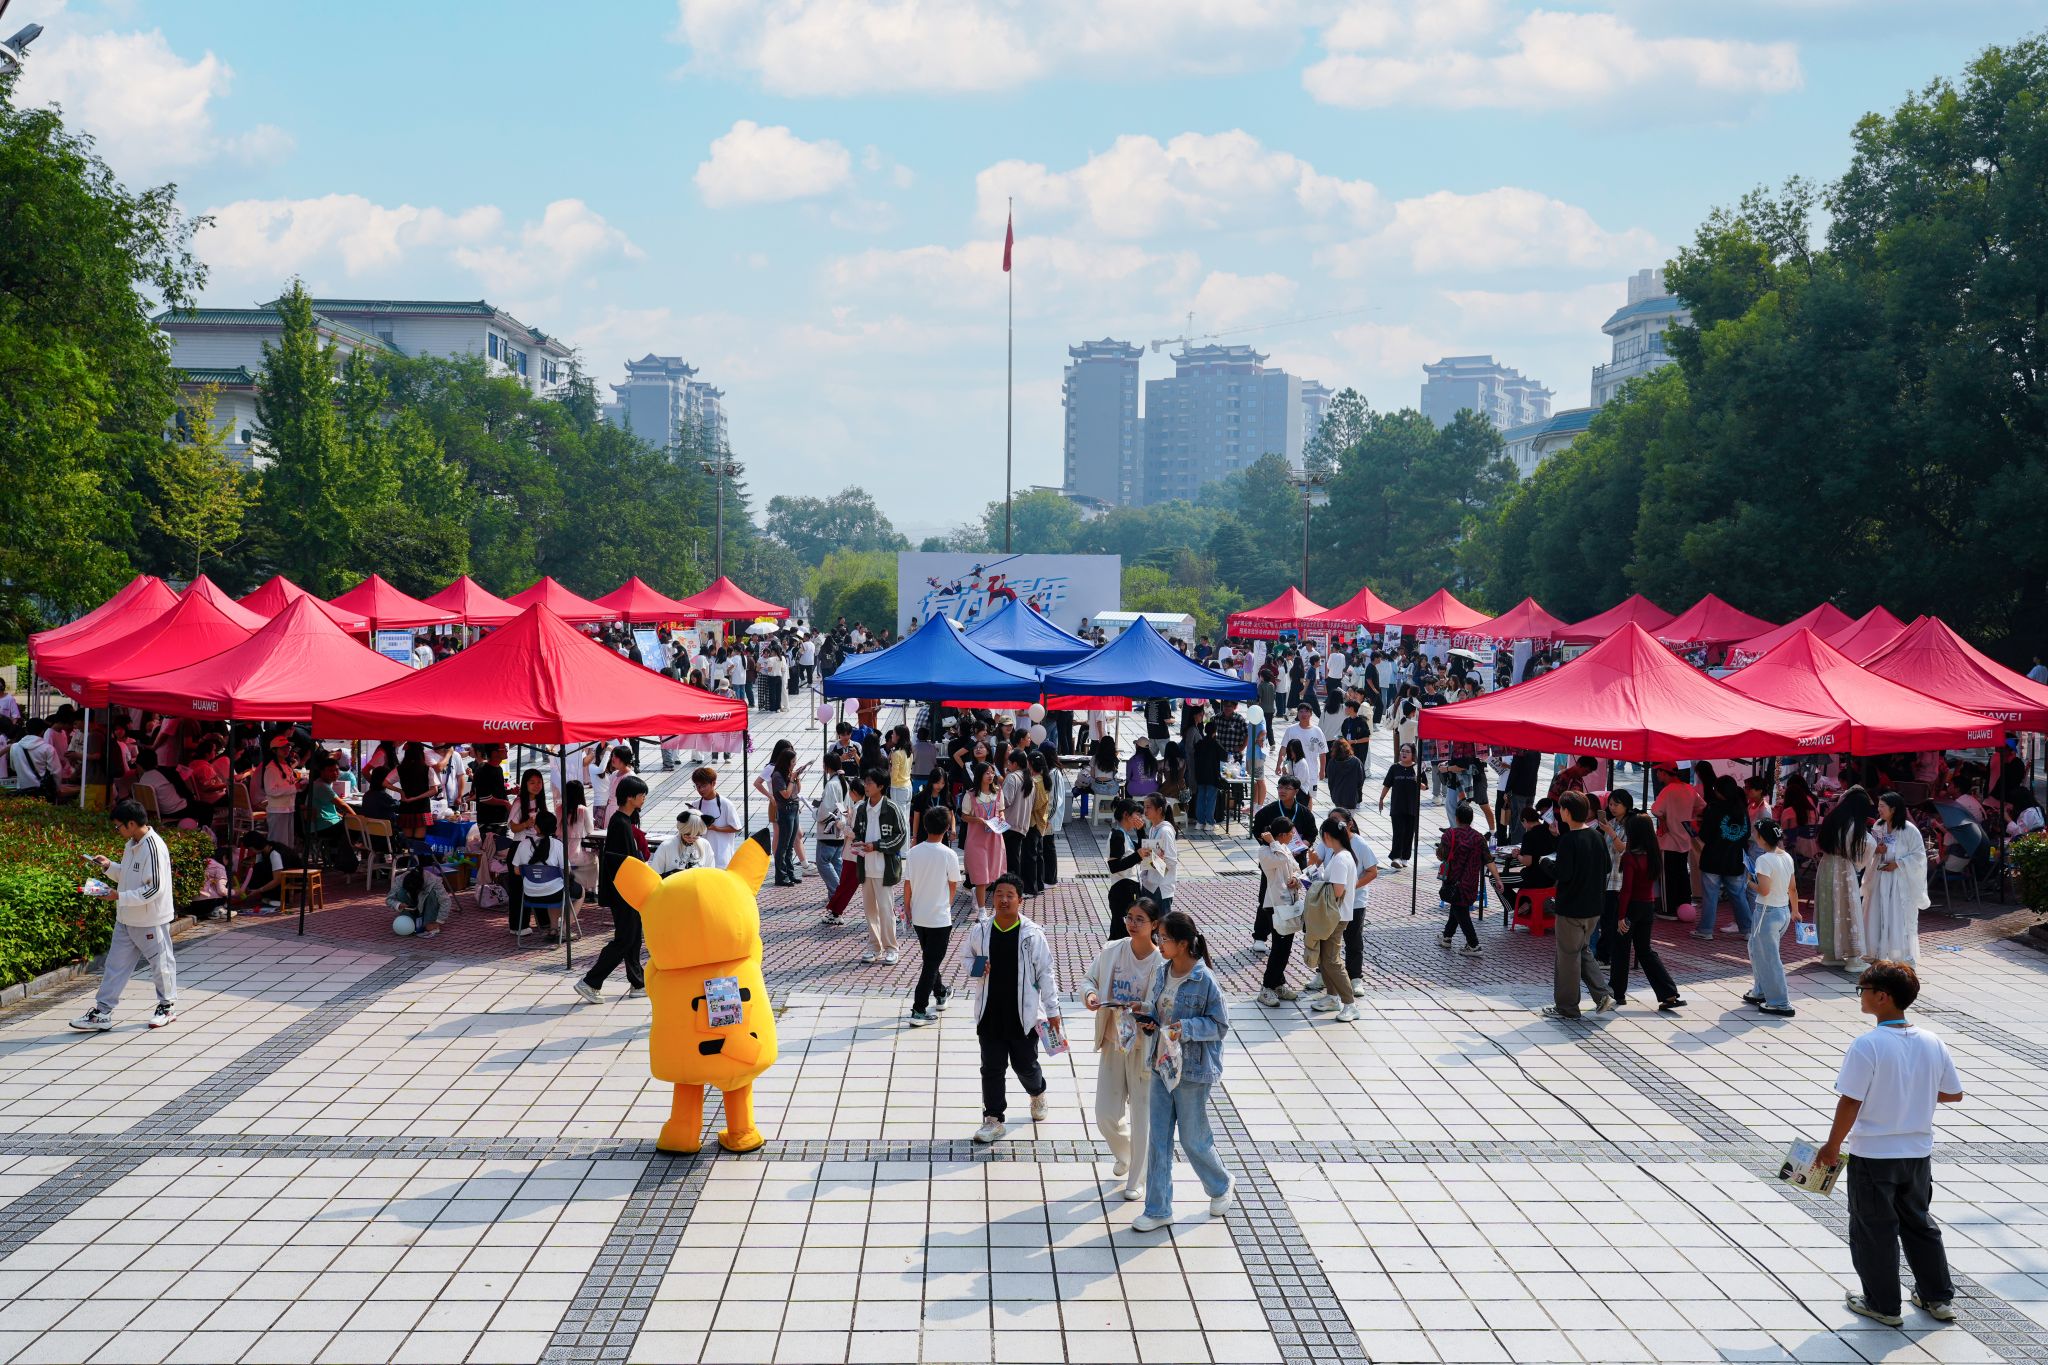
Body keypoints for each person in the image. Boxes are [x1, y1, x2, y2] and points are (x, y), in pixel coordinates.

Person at [1815, 961, 1963, 1328]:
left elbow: (1850, 1100)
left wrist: (1831, 1146)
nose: (1860, 996)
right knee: (1919, 1223)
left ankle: (1883, 1304)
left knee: (1874, 1229)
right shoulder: (1932, 1041)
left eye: (1862, 990)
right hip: (1917, 1153)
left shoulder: (1868, 1044)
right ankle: (1937, 1298)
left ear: (1882, 997)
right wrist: (1913, 1091)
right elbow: (1952, 1094)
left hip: (1874, 1155)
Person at [1130, 910, 1232, 1232]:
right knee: (1158, 1139)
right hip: (1161, 1065)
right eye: (1158, 937)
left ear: (1184, 943)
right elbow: (1160, 1010)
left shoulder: (1205, 980)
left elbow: (1219, 1025)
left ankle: (1220, 1184)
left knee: (1192, 1139)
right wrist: (1145, 1013)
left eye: (1164, 938)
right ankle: (1158, 1209)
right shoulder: (1163, 971)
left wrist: (1184, 1028)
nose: (1159, 944)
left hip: (1193, 1072)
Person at [963, 875, 1060, 1144]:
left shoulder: (1032, 934)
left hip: (1023, 1016)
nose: (1004, 900)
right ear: (992, 898)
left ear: (1019, 900)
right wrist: (977, 967)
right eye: (999, 895)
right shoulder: (981, 930)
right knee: (991, 1068)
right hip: (990, 1012)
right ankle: (993, 1119)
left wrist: (1053, 1010)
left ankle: (1037, 1092)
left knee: (1025, 1065)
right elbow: (967, 957)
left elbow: (1046, 973)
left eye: (1010, 895)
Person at [1083, 894, 1166, 1201]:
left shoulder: (1161, 962)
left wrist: (1145, 1008)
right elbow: (1089, 979)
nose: (1132, 923)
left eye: (1139, 919)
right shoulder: (1113, 950)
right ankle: (1126, 1155)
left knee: (1142, 1116)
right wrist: (1090, 996)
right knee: (1105, 1113)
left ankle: (1137, 1179)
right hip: (1113, 1040)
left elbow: (1165, 1005)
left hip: (1144, 1047)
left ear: (1154, 925)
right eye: (1129, 917)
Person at [70, 799, 178, 1033]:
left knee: (161, 964)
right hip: (126, 918)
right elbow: (129, 875)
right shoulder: (132, 844)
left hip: (150, 920)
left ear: (131, 824)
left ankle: (167, 1007)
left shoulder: (154, 847)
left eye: (118, 826)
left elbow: (154, 888)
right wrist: (109, 866)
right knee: (114, 967)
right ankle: (102, 1013)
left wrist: (119, 896)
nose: (117, 830)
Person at [573, 775, 650, 1003]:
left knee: (633, 937)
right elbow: (623, 863)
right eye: (642, 795)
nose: (644, 798)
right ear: (630, 797)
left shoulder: (623, 821)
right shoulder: (620, 824)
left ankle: (637, 983)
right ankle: (590, 982)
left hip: (628, 891)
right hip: (623, 892)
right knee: (625, 939)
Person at [1543, 791, 1615, 1020]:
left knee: (1567, 958)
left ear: (1567, 812)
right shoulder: (1596, 836)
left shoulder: (1569, 840)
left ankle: (1567, 1007)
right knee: (1581, 951)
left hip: (1571, 908)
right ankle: (1603, 995)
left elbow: (1563, 873)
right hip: (1593, 908)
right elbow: (1606, 867)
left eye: (1561, 809)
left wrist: (1545, 863)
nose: (1560, 812)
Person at [1611, 813, 1682, 1010]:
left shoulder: (1630, 857)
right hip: (1647, 906)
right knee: (1645, 951)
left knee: (1621, 950)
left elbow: (1627, 889)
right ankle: (1668, 992)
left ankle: (1617, 993)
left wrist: (1621, 916)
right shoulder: (1654, 854)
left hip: (1631, 906)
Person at [905, 806, 962, 1026]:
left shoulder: (913, 852)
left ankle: (940, 992)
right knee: (930, 964)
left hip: (919, 916)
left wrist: (908, 908)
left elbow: (908, 884)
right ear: (947, 828)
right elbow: (953, 885)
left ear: (925, 826)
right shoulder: (949, 855)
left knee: (930, 959)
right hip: (939, 918)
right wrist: (946, 905)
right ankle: (918, 1009)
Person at [1302, 816, 1360, 1021]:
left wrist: (1313, 876)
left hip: (1335, 916)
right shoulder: (1340, 856)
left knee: (1331, 961)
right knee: (1325, 959)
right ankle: (1332, 997)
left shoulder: (1341, 859)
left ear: (1326, 836)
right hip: (1333, 915)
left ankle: (1350, 1004)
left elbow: (1337, 891)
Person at [1865, 793, 1929, 965]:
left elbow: (1919, 855)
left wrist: (1898, 863)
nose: (1879, 809)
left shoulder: (1909, 830)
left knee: (1898, 916)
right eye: (1878, 805)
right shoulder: (1878, 826)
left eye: (1882, 806)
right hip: (1881, 876)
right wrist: (1877, 850)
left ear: (1893, 809)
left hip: (1900, 880)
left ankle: (1902, 955)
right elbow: (1872, 848)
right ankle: (1877, 951)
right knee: (1877, 912)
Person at [1744, 818, 1799, 1017]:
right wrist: (1795, 911)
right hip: (1782, 911)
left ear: (1762, 838)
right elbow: (1792, 888)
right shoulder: (1786, 856)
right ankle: (1761, 991)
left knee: (1768, 957)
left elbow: (1764, 890)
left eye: (1756, 833)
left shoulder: (1764, 860)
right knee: (1757, 950)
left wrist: (1749, 882)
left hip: (1766, 912)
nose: (1754, 836)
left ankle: (1780, 1002)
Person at [852, 767, 907, 965]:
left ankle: (891, 948)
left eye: (870, 783)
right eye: (865, 782)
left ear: (881, 786)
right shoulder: (861, 809)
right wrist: (857, 843)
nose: (866, 786)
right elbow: (857, 832)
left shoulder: (892, 808)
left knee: (885, 910)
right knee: (870, 911)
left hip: (885, 869)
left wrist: (876, 846)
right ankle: (874, 947)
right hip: (865, 868)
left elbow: (901, 836)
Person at [1692, 775, 1754, 940]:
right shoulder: (1742, 809)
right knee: (1738, 896)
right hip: (1735, 859)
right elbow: (1746, 834)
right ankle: (1748, 930)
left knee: (1710, 896)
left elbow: (1705, 835)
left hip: (1713, 858)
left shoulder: (1714, 809)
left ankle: (1706, 930)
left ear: (1719, 791)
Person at [1435, 802, 1490, 957]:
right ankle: (1447, 937)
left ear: (1457, 818)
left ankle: (1474, 944)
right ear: (1471, 819)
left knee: (1460, 910)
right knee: (1457, 905)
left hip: (1453, 879)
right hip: (1471, 881)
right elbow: (1488, 859)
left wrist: (1439, 850)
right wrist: (1498, 879)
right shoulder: (1478, 837)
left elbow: (1441, 855)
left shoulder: (1449, 835)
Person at [961, 761, 1007, 913]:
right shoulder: (970, 795)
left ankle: (977, 892)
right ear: (979, 775)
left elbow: (1001, 810)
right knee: (981, 876)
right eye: (987, 773)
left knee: (994, 874)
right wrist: (978, 820)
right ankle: (982, 911)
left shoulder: (998, 792)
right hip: (976, 840)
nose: (991, 776)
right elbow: (964, 816)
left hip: (994, 839)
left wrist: (1002, 816)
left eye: (992, 773)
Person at [514, 809, 567, 943]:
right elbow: (567, 871)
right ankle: (564, 929)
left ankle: (554, 929)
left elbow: (517, 871)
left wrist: (535, 875)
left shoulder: (523, 845)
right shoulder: (558, 845)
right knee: (579, 892)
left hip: (530, 894)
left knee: (553, 887)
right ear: (554, 828)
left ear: (536, 827)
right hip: (554, 893)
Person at [813, 752, 852, 911]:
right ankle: (835, 893)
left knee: (823, 862)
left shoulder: (831, 784)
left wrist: (816, 813)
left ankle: (837, 893)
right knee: (836, 862)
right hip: (840, 828)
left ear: (827, 766)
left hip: (829, 829)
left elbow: (826, 809)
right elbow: (844, 806)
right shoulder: (844, 782)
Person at [1105, 798, 1146, 939]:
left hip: (1129, 888)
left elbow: (1142, 848)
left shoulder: (1124, 834)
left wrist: (1141, 831)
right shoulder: (1118, 835)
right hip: (1122, 889)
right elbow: (1114, 866)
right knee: (1121, 933)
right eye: (1137, 815)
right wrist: (1137, 856)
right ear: (1126, 815)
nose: (1140, 818)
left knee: (1121, 932)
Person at [1378, 743, 1422, 868]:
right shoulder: (1394, 768)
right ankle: (1396, 857)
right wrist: (1381, 799)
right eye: (1402, 751)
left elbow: (1425, 787)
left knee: (1409, 833)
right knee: (1398, 832)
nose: (1404, 753)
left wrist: (1418, 781)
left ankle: (1405, 858)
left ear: (1412, 754)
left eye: (1407, 751)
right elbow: (1387, 784)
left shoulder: (1417, 768)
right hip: (1397, 806)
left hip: (1412, 806)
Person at [1138, 793, 1179, 918]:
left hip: (1161, 887)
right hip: (1150, 884)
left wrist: (1151, 858)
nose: (1145, 811)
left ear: (1159, 810)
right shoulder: (1153, 828)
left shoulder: (1165, 831)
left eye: (1148, 807)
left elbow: (1171, 862)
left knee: (1161, 925)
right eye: (1144, 807)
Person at [258, 735, 303, 848]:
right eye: (282, 748)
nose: (286, 749)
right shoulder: (271, 768)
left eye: (288, 747)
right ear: (274, 750)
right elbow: (271, 790)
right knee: (278, 843)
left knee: (287, 842)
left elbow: (288, 785)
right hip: (278, 810)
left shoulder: (286, 766)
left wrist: (299, 786)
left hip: (288, 808)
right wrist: (294, 788)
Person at [692, 767, 741, 868]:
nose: (700, 790)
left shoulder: (726, 804)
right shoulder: (695, 805)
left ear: (713, 783)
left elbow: (736, 828)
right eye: (697, 786)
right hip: (701, 856)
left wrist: (715, 828)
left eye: (704, 786)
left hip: (721, 856)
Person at [769, 747, 803, 887]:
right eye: (793, 761)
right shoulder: (777, 775)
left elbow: (797, 791)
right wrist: (792, 780)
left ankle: (790, 873)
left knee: (790, 845)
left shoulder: (788, 773)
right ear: (786, 762)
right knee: (783, 845)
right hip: (785, 811)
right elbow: (786, 794)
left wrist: (796, 778)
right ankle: (780, 876)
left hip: (794, 809)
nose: (794, 764)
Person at [649, 810, 711, 875]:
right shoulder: (666, 846)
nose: (691, 838)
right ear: (681, 830)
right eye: (687, 834)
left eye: (697, 835)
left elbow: (710, 871)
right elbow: (655, 873)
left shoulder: (705, 844)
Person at [1190, 721, 1224, 830]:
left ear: (1205, 731)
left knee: (1200, 798)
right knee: (1211, 799)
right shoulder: (1215, 743)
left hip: (1200, 775)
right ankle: (1209, 823)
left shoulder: (1199, 743)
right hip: (1212, 776)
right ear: (1215, 732)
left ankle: (1200, 822)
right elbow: (1225, 756)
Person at [1326, 738, 1365, 816]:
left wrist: (1333, 793)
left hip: (1337, 796)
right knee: (1349, 820)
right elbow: (1361, 779)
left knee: (1340, 818)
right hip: (1351, 796)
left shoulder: (1332, 763)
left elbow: (1330, 781)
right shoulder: (1356, 761)